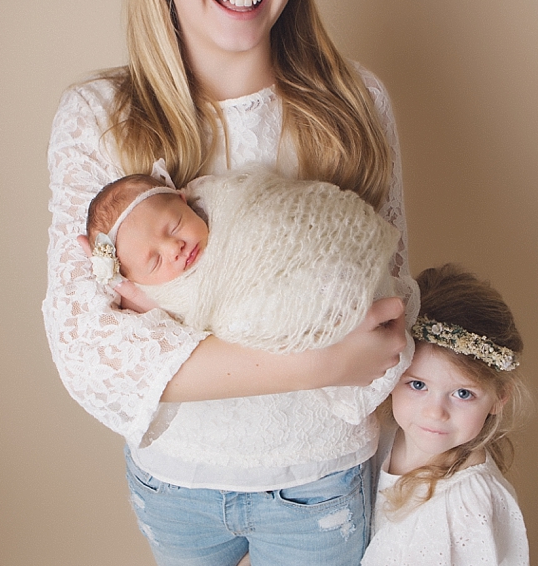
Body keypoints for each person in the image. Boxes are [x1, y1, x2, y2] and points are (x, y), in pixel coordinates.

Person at [41, 0, 416, 566]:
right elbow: (88, 349)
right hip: (175, 492)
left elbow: (390, 311)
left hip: (317, 487)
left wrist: (354, 363)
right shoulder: (97, 122)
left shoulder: (354, 108)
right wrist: (316, 361)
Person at [224, 265, 531, 566]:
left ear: (499, 397)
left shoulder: (467, 500)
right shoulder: (381, 437)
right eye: (418, 385)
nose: (435, 412)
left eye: (463, 394)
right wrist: (252, 564)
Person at [83, 167, 404, 432]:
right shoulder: (164, 298)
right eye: (154, 261)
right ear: (138, 281)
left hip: (331, 269)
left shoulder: (225, 201)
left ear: (183, 199)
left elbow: (283, 214)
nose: (173, 248)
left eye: (175, 226)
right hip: (304, 338)